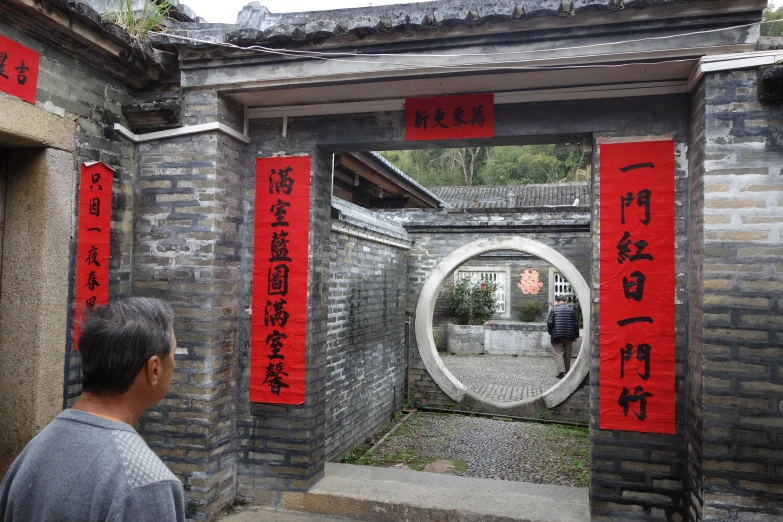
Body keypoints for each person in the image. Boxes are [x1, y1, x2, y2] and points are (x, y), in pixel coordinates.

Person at [0, 297, 185, 522]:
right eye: (173, 356)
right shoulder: (145, 484)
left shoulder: (32, 453)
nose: (174, 365)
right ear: (154, 369)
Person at [547, 295, 580, 379]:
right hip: (569, 336)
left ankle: (561, 372)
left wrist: (551, 333)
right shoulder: (571, 310)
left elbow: (550, 323)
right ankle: (567, 372)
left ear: (557, 301)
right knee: (567, 354)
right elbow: (576, 324)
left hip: (557, 335)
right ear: (565, 301)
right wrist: (576, 336)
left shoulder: (554, 310)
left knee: (558, 353)